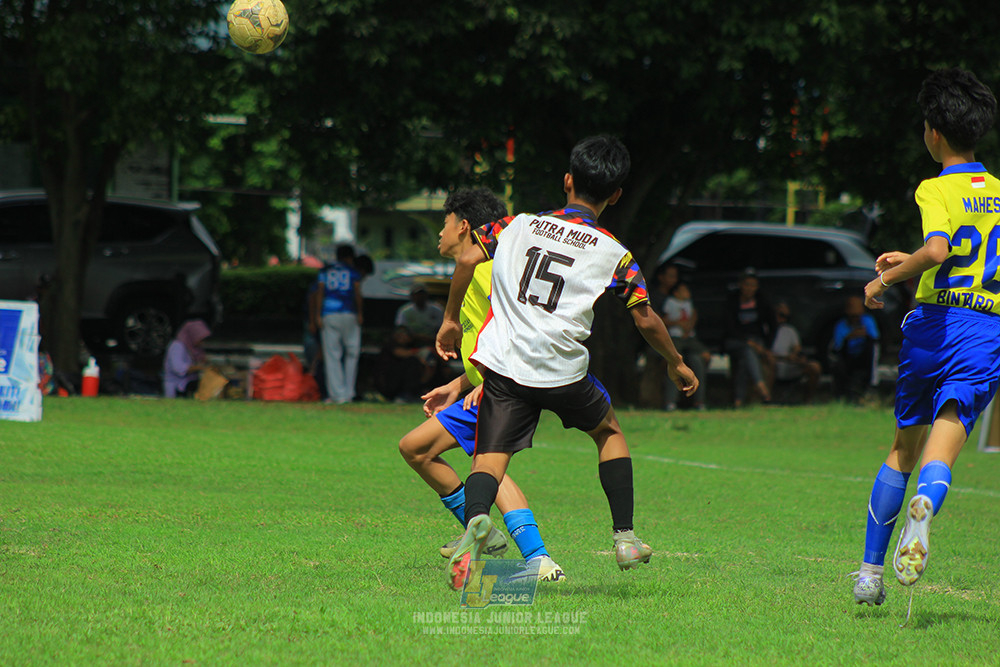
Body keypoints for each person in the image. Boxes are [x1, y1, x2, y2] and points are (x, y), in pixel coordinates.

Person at [436, 135, 698, 589]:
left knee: (490, 457)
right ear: (616, 195)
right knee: (608, 431)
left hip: (506, 367)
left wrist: (449, 321)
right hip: (562, 371)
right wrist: (675, 362)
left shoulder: (516, 225)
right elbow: (646, 319)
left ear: (567, 181)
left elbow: (466, 260)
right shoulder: (615, 253)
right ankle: (625, 538)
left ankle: (477, 521)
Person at [852, 68, 1000, 609]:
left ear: (934, 133)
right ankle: (926, 507)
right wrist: (912, 260)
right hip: (984, 329)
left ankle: (870, 575)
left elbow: (938, 250)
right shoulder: (998, 193)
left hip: (933, 326)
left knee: (902, 449)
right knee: (946, 440)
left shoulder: (935, 187)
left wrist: (885, 279)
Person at [399, 187, 565, 583]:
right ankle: (485, 533)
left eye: (445, 223)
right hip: (489, 384)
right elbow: (487, 340)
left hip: (504, 385)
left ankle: (537, 557)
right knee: (417, 448)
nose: (440, 232)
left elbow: (521, 328)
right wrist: (459, 384)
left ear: (463, 226)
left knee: (487, 467)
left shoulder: (489, 270)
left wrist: (491, 380)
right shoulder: (475, 271)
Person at [311, 244, 363, 405]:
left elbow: (319, 292)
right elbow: (357, 293)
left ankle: (336, 394)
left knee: (332, 355)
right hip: (349, 313)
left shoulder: (326, 271)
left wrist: (318, 315)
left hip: (329, 313)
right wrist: (360, 313)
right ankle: (349, 392)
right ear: (350, 257)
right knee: (352, 353)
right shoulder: (352, 271)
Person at [723, 268, 775, 407]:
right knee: (747, 350)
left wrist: (767, 345)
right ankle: (761, 386)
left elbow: (772, 324)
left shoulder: (762, 301)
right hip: (735, 341)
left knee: (744, 361)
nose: (750, 288)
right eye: (747, 284)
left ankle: (738, 400)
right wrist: (748, 342)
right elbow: (729, 328)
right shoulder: (731, 301)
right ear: (740, 285)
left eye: (753, 285)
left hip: (756, 342)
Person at [661, 281, 709, 410]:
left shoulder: (689, 303)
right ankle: (671, 401)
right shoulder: (670, 302)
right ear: (676, 293)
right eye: (684, 291)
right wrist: (678, 323)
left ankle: (699, 401)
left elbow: (693, 316)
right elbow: (664, 319)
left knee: (704, 356)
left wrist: (689, 326)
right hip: (676, 337)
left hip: (690, 338)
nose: (687, 293)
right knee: (674, 363)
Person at [831, 295, 880, 403]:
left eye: (857, 316)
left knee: (873, 348)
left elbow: (874, 338)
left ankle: (871, 386)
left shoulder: (867, 321)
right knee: (837, 363)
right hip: (847, 356)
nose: (855, 319)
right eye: (853, 316)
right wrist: (851, 336)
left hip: (865, 356)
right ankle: (841, 393)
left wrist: (863, 335)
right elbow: (838, 347)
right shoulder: (841, 325)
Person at [769, 301, 821, 403]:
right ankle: (767, 399)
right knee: (770, 363)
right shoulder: (766, 329)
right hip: (771, 365)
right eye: (780, 315)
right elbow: (764, 352)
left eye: (786, 316)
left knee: (815, 367)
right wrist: (783, 358)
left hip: (789, 365)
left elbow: (797, 349)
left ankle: (808, 401)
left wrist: (797, 357)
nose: (783, 319)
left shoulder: (790, 330)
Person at [162, 319, 211, 398]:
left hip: (189, 383)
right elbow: (178, 368)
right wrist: (200, 367)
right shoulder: (177, 346)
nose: (202, 343)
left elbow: (200, 359)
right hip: (177, 386)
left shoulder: (193, 347)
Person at [395, 283, 444, 347]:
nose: (419, 296)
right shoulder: (405, 311)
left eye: (422, 294)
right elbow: (401, 327)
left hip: (433, 341)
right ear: (412, 296)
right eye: (417, 294)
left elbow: (441, 327)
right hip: (412, 341)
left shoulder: (437, 309)